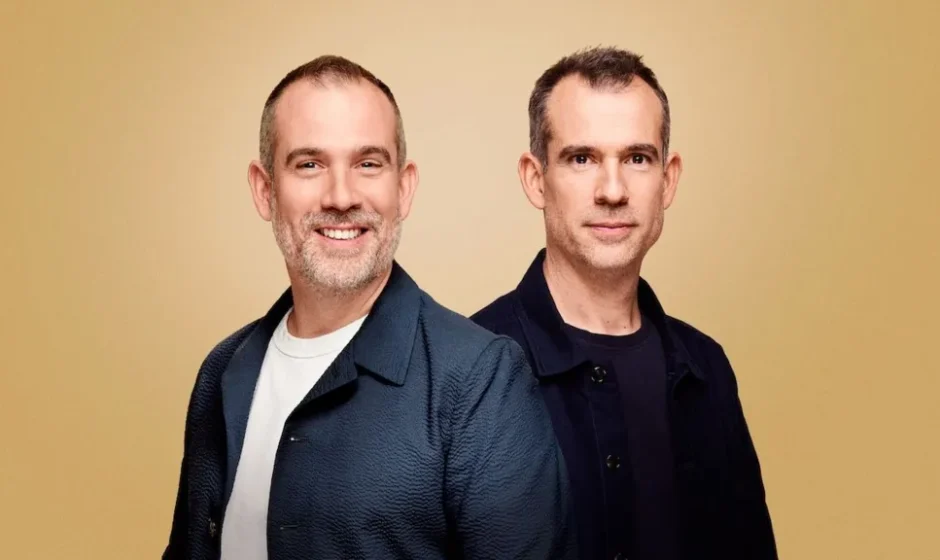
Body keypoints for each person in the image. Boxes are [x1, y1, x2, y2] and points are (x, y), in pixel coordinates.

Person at [162, 55, 575, 560]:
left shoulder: (482, 382)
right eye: (309, 164)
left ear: (403, 188)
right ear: (265, 190)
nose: (341, 197)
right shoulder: (224, 370)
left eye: (368, 164)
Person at [471, 46, 777, 560]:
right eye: (582, 158)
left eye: (637, 159)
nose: (612, 191)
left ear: (668, 180)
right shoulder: (466, 371)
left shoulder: (708, 370)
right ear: (535, 178)